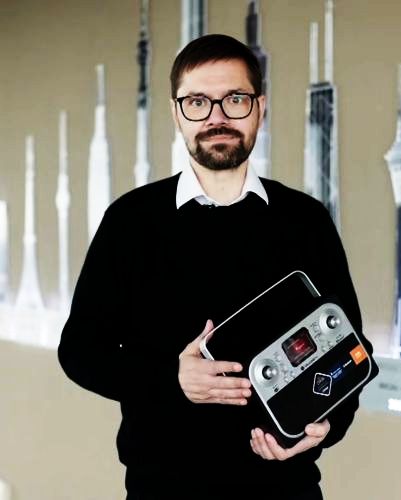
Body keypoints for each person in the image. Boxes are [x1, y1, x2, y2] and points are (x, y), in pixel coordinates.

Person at [58, 33, 372, 500]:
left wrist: (325, 428)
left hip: (286, 489)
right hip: (163, 491)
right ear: (176, 113)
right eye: (198, 102)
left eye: (235, 100)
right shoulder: (130, 221)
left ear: (260, 108)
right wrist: (171, 379)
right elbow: (80, 352)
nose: (216, 117)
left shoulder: (306, 220)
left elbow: (353, 348)